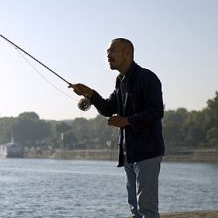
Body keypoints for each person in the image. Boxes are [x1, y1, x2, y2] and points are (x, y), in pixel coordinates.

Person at [71, 38, 165, 218]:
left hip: (147, 152)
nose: (108, 54)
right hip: (128, 153)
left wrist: (127, 121)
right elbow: (108, 108)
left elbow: (156, 112)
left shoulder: (147, 77)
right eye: (107, 51)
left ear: (128, 53)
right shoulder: (120, 80)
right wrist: (90, 93)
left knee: (147, 207)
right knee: (135, 208)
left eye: (113, 50)